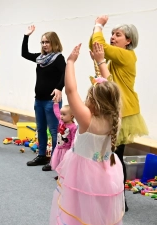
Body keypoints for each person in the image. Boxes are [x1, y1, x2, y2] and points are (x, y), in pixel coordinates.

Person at [49, 43, 124, 225]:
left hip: (82, 173)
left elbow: (70, 90)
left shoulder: (87, 119)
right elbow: (112, 89)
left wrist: (71, 62)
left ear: (93, 101)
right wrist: (101, 61)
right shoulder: (116, 116)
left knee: (79, 209)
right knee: (100, 211)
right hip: (108, 173)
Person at [90, 15, 148, 212]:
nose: (113, 37)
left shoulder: (127, 55)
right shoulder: (116, 56)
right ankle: (110, 194)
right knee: (107, 155)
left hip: (124, 112)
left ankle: (119, 198)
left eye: (118, 35)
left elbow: (99, 45)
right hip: (114, 110)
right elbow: (96, 44)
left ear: (128, 40)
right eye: (112, 34)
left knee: (114, 157)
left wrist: (99, 25)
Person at [21, 25, 66, 171]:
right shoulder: (40, 58)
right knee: (40, 129)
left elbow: (65, 75)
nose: (45, 45)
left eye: (47, 42)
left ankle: (54, 159)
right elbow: (24, 53)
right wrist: (26, 36)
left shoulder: (58, 58)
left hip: (51, 101)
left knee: (54, 131)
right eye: (42, 42)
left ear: (54, 43)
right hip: (39, 100)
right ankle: (42, 155)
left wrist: (59, 88)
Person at [50, 103, 77, 179]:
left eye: (64, 114)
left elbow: (73, 138)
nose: (61, 116)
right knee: (58, 161)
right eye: (61, 114)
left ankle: (64, 176)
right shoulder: (61, 122)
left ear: (71, 116)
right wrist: (55, 103)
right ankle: (60, 174)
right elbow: (56, 112)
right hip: (59, 147)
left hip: (66, 149)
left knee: (64, 163)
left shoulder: (73, 127)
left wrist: (71, 149)